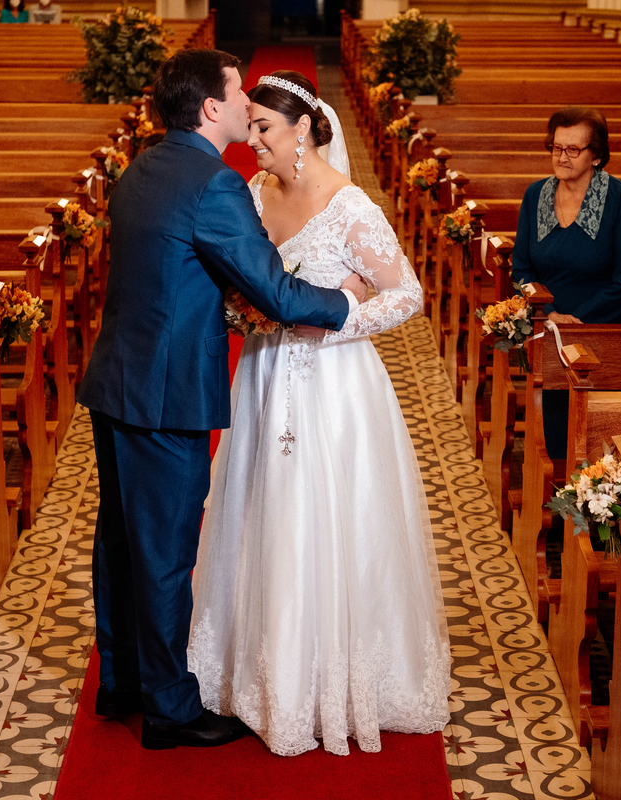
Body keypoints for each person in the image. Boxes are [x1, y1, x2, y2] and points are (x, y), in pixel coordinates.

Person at [76, 49, 367, 751]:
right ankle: (170, 712)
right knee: (166, 552)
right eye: (239, 96)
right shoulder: (215, 184)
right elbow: (275, 289)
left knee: (118, 542)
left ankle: (121, 681)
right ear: (212, 108)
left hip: (116, 380)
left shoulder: (142, 166)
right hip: (165, 394)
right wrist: (347, 303)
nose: (247, 107)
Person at [187, 71, 449, 757]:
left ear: (303, 128)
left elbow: (408, 295)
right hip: (265, 377)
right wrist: (246, 308)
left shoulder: (351, 205)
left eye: (264, 130)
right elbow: (241, 284)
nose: (253, 144)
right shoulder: (250, 194)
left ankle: (336, 678)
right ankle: (263, 675)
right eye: (250, 129)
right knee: (263, 512)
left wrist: (334, 325)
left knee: (328, 518)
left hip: (336, 388)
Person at [513, 107, 621, 326]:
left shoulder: (620, 197)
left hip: (605, 324)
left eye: (573, 150)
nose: (562, 158)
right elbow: (522, 270)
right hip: (543, 322)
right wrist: (547, 313)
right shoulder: (535, 194)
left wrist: (575, 320)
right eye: (557, 148)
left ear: (596, 155)